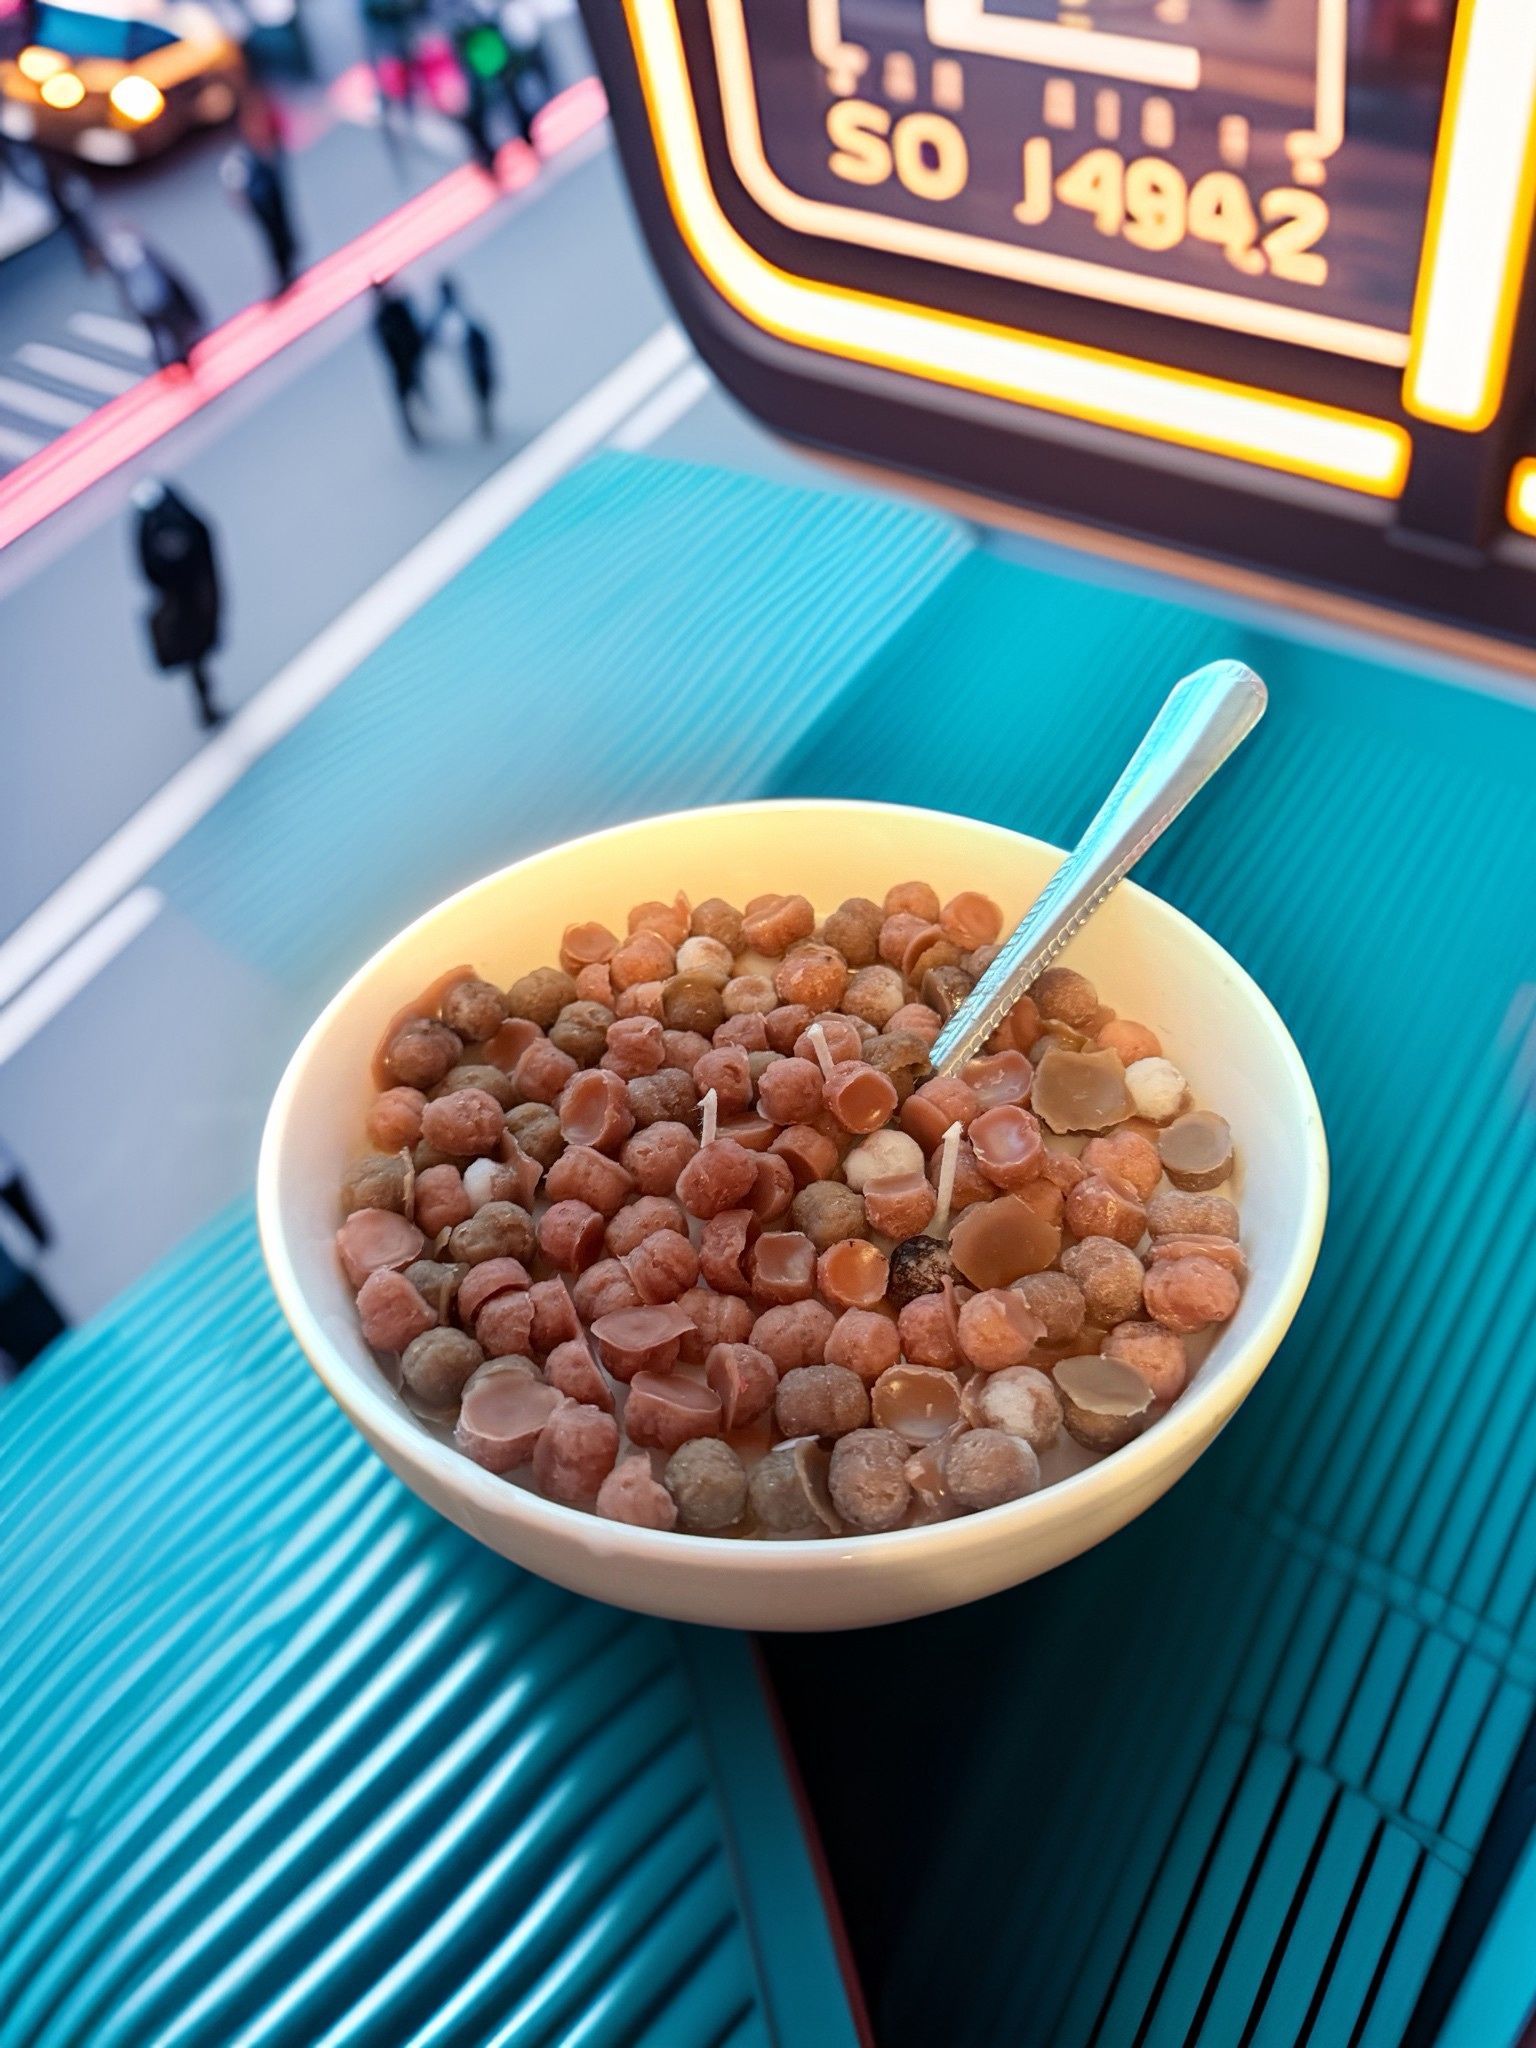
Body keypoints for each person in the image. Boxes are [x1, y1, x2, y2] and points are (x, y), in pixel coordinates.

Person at [131, 479, 225, 729]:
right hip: (183, 602)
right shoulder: (154, 525)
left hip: (191, 597)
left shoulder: (169, 520)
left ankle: (206, 701)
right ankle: (205, 703)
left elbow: (203, 534)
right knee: (195, 656)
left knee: (198, 653)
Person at [103, 228, 206, 370]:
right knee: (169, 331)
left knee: (161, 335)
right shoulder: (136, 251)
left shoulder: (118, 257)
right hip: (157, 298)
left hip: (147, 301)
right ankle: (174, 360)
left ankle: (169, 361)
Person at [221, 142, 301, 295]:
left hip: (264, 199)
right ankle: (284, 270)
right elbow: (236, 190)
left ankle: (286, 267)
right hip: (261, 202)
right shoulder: (239, 159)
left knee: (277, 233)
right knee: (274, 235)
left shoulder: (251, 156)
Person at [431, 276, 496, 437]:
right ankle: (484, 420)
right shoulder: (452, 315)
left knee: (480, 391)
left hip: (471, 362)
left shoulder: (451, 315)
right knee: (479, 391)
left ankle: (484, 419)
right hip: (469, 363)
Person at [370, 279, 429, 444]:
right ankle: (414, 432)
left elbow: (411, 334)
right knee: (408, 399)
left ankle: (418, 427)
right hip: (401, 365)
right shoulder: (386, 316)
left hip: (406, 363)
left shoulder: (391, 313)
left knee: (412, 395)